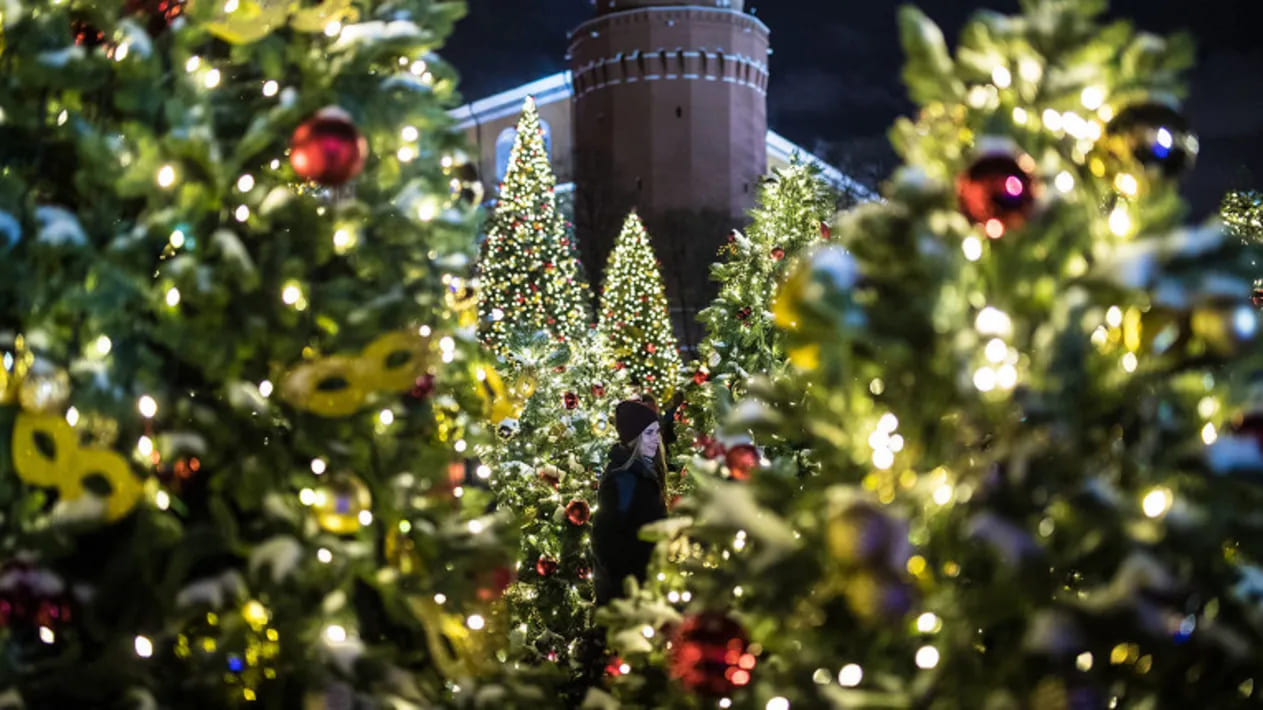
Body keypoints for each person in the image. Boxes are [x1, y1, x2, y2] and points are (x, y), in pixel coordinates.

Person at [590, 400, 669, 605]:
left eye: (657, 432)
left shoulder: (645, 470)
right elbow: (604, 540)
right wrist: (632, 583)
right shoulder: (622, 479)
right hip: (627, 595)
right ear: (634, 437)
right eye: (649, 433)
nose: (656, 439)